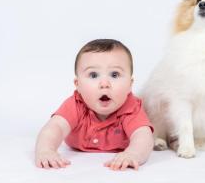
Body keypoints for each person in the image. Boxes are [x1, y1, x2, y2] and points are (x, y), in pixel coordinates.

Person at [35, 39, 154, 171]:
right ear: (77, 84)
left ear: (130, 84)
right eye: (93, 75)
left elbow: (143, 136)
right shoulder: (76, 104)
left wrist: (133, 154)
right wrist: (46, 150)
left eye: (115, 74)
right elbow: (55, 127)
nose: (104, 83)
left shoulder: (131, 107)